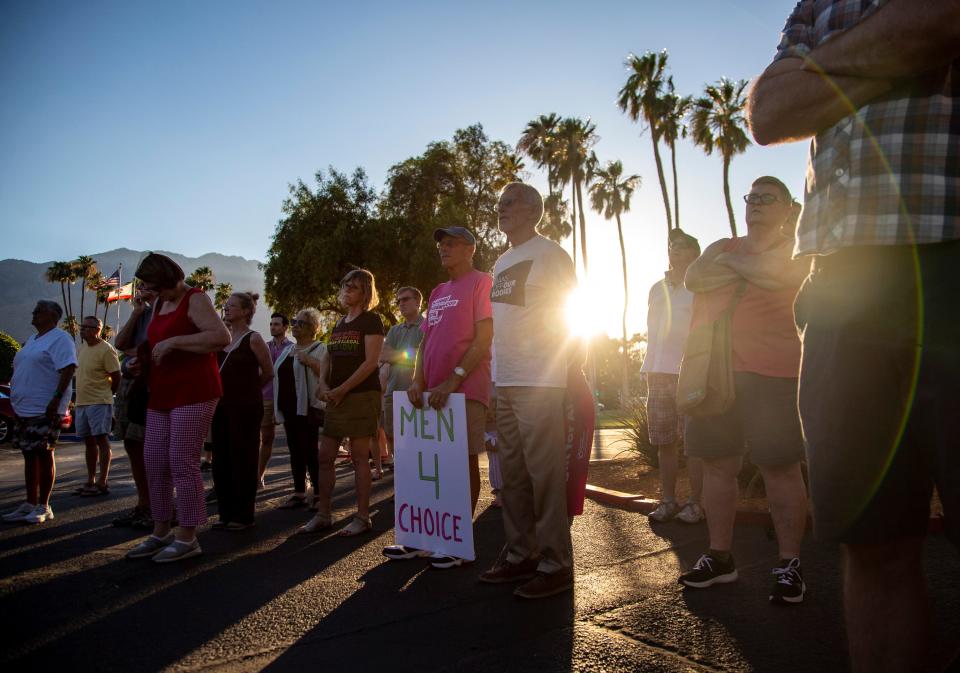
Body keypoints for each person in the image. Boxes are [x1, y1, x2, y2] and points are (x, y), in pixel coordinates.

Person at [749, 4, 960, 669]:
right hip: (842, 285)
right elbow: (770, 111)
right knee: (871, 542)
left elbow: (938, 22)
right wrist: (899, 56)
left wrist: (825, 70)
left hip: (951, 250)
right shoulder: (816, 3)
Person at [677, 177, 810, 606]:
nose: (754, 204)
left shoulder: (796, 249)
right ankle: (719, 557)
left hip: (776, 372)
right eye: (751, 197)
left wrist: (734, 268)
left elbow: (778, 276)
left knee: (780, 467)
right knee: (717, 466)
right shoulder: (721, 245)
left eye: (766, 198)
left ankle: (790, 564)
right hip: (716, 374)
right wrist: (745, 266)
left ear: (788, 209)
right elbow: (694, 278)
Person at [479, 183, 578, 599]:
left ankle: (557, 564)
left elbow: (571, 314)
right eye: (499, 203)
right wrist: (493, 377)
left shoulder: (551, 255)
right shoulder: (502, 260)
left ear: (534, 210)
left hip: (541, 380)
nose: (500, 209)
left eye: (509, 203)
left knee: (545, 476)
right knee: (513, 477)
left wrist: (569, 372)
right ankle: (521, 554)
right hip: (506, 381)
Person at [384, 227, 493, 568]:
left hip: (465, 389)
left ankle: (458, 543)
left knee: (461, 462)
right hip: (429, 393)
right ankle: (420, 539)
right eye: (441, 245)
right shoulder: (437, 291)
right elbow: (426, 343)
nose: (443, 249)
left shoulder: (481, 282)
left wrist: (453, 380)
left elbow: (485, 336)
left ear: (469, 250)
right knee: (424, 464)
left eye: (451, 244)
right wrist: (418, 381)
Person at [125, 253, 230, 563]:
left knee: (182, 461)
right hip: (161, 392)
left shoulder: (194, 299)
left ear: (167, 279)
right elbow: (153, 344)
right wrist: (138, 362)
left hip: (195, 391)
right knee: (154, 461)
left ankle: (188, 536)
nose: (149, 291)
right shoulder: (158, 303)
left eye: (152, 285)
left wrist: (175, 343)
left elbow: (220, 337)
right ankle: (160, 530)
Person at [302, 269, 385, 536]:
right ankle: (323, 514)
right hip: (337, 397)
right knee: (325, 456)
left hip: (361, 396)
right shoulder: (339, 323)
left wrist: (343, 389)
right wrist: (324, 385)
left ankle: (362, 518)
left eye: (354, 287)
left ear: (365, 293)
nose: (348, 290)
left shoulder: (372, 321)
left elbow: (371, 362)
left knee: (360, 457)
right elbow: (328, 356)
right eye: (346, 285)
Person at [642, 230, 704, 524]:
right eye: (671, 246)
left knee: (693, 443)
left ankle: (695, 503)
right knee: (665, 441)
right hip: (657, 372)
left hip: (690, 372)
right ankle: (668, 501)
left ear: (695, 253)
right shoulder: (656, 289)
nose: (674, 250)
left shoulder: (700, 288)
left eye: (681, 246)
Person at [2, 301, 76, 525]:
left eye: (38, 311)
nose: (33, 314)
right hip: (23, 408)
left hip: (45, 408)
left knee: (44, 453)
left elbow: (68, 368)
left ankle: (44, 506)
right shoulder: (33, 341)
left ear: (52, 315)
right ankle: (29, 502)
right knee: (28, 453)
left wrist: (56, 398)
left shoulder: (61, 338)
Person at [211, 292, 273, 530]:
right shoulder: (221, 338)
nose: (227, 309)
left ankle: (243, 515)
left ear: (246, 311)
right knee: (221, 459)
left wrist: (249, 390)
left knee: (243, 457)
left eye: (232, 306)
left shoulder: (253, 339)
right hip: (220, 405)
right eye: (226, 305)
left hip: (246, 407)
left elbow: (268, 372)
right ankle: (225, 513)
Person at [112, 283, 158, 529]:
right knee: (131, 443)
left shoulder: (165, 310)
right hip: (130, 386)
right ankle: (143, 504)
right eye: (141, 285)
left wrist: (138, 355)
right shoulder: (142, 312)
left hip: (151, 386)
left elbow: (153, 348)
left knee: (152, 448)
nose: (143, 290)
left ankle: (158, 508)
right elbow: (120, 343)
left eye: (149, 286)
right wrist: (136, 313)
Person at [273, 308, 326, 511]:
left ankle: (320, 494)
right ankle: (299, 492)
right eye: (294, 321)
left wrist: (309, 361)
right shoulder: (289, 350)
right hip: (288, 408)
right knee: (294, 449)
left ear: (312, 328)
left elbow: (327, 372)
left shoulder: (320, 348)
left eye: (300, 323)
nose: (294, 325)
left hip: (307, 407)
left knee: (310, 450)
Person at [74, 316, 121, 497]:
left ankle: (103, 481)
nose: (82, 329)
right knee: (88, 442)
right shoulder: (82, 349)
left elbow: (116, 377)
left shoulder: (106, 350)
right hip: (82, 402)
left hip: (99, 401)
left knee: (101, 439)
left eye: (86, 327)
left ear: (97, 329)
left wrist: (107, 394)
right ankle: (90, 479)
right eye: (82, 326)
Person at [378, 286, 424, 470]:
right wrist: (410, 355)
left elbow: (426, 356)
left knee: (416, 438)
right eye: (398, 301)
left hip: (417, 391)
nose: (400, 304)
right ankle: (404, 481)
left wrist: (396, 356)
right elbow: (383, 355)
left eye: (405, 299)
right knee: (392, 436)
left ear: (418, 302)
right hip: (392, 392)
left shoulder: (427, 326)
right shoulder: (394, 330)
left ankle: (417, 481)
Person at [259, 312, 293, 489]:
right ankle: (259, 477)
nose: (273, 327)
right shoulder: (264, 347)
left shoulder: (292, 348)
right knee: (267, 438)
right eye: (271, 324)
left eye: (277, 324)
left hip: (286, 399)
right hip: (266, 397)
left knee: (294, 438)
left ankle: (302, 478)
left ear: (285, 327)